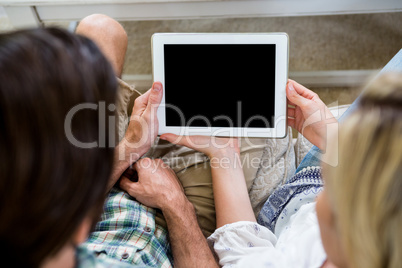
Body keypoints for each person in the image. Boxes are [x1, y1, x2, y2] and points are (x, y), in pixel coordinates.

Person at [0, 24, 218, 268]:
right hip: (177, 219)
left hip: (118, 173)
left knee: (101, 27)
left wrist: (129, 149)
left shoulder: (32, 223)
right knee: (225, 139)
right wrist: (174, 201)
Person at [157, 70, 402, 267]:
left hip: (293, 203)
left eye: (332, 192)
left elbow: (244, 255)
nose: (321, 195)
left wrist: (224, 152)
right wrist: (335, 140)